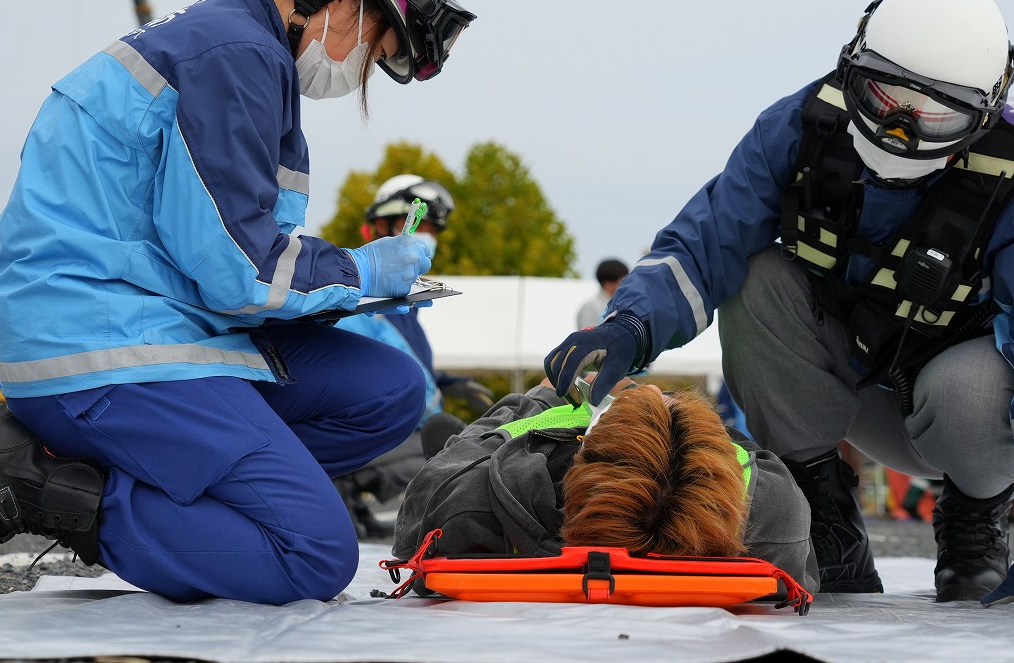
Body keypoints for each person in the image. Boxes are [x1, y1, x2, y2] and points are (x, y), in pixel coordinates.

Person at [0, 0, 475, 606]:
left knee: (389, 390)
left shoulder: (245, 49)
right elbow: (238, 267)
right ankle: (41, 483)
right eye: (375, 45)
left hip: (164, 323)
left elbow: (226, 247)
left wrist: (345, 277)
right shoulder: (236, 54)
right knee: (315, 553)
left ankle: (198, 498)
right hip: (103, 346)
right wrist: (362, 268)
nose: (362, 67)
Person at [544, 0, 1014, 613]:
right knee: (756, 276)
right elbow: (706, 242)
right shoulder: (802, 127)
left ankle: (975, 517)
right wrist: (629, 323)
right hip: (853, 392)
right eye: (885, 94)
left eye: (936, 112)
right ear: (852, 67)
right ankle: (826, 515)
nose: (901, 130)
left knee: (973, 388)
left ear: (984, 111)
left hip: (967, 410)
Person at [393, 376, 819, 595]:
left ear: (582, 452)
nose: (654, 387)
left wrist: (540, 397)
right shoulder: (775, 515)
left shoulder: (468, 505)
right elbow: (740, 451)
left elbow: (463, 457)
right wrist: (646, 400)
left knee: (474, 432)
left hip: (526, 453)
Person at [333, 174, 493, 536]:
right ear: (384, 226)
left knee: (464, 453)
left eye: (435, 231)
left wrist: (449, 384)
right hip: (378, 440)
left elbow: (404, 364)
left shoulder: (409, 305)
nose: (429, 239)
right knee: (457, 462)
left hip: (410, 433)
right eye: (423, 225)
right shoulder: (352, 297)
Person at [576, 258, 629, 329]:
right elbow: (588, 337)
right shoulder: (591, 307)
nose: (628, 284)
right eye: (623, 280)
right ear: (609, 283)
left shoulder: (623, 304)